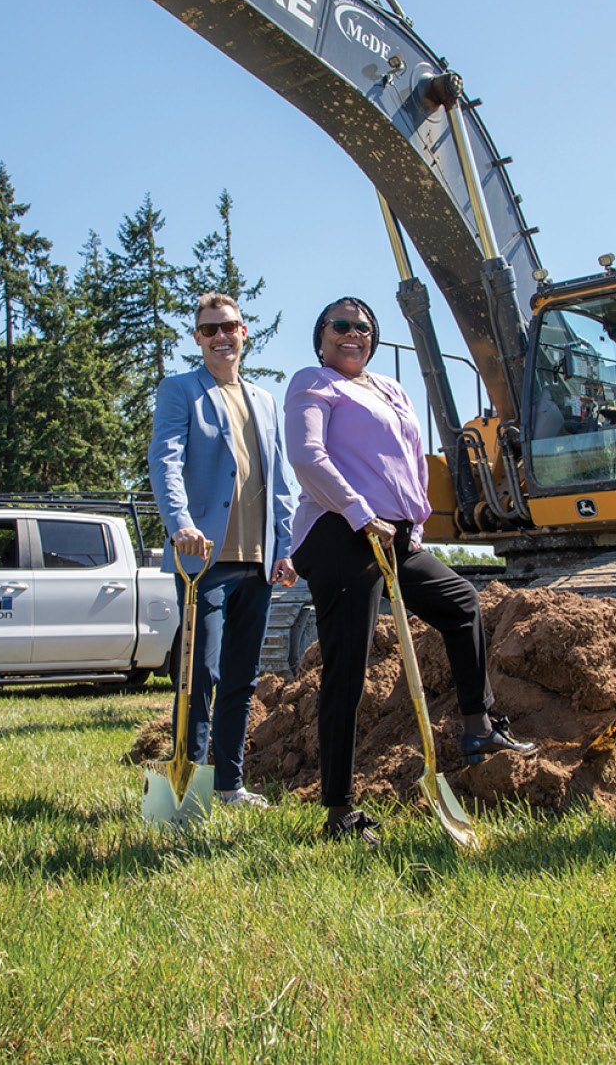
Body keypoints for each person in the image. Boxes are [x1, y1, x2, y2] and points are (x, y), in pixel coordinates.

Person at [285, 296, 536, 845]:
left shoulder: (392, 390)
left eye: (364, 327)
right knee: (346, 670)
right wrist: (359, 513)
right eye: (341, 326)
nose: (354, 333)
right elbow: (306, 457)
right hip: (338, 533)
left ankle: (480, 728)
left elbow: (413, 461)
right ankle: (339, 813)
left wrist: (414, 526)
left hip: (393, 535)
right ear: (322, 337)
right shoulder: (315, 382)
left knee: (460, 603)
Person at [149, 292, 298, 809]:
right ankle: (185, 781)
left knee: (242, 679)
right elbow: (165, 463)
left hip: (258, 560)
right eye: (208, 330)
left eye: (228, 328)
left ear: (243, 333)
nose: (220, 338)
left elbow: (280, 480)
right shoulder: (180, 391)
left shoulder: (264, 400)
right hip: (203, 562)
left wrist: (285, 546)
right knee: (199, 674)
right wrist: (180, 525)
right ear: (197, 338)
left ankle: (230, 786)